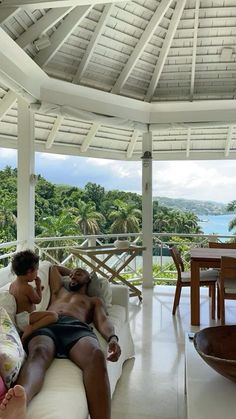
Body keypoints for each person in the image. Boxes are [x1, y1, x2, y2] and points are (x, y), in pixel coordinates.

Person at [6, 258, 121, 419]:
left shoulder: (93, 300)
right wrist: (73, 274)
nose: (73, 276)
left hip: (76, 328)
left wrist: (112, 338)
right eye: (72, 274)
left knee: (96, 355)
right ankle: (19, 401)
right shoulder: (59, 290)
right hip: (47, 324)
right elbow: (54, 268)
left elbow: (102, 321)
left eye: (79, 274)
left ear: (88, 279)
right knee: (38, 353)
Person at [9, 250, 58, 342]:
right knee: (54, 316)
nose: (37, 273)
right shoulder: (27, 288)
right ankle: (31, 328)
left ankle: (25, 331)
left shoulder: (13, 285)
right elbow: (38, 300)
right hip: (26, 318)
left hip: (19, 319)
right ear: (29, 271)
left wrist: (35, 290)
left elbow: (23, 299)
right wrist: (38, 286)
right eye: (36, 270)